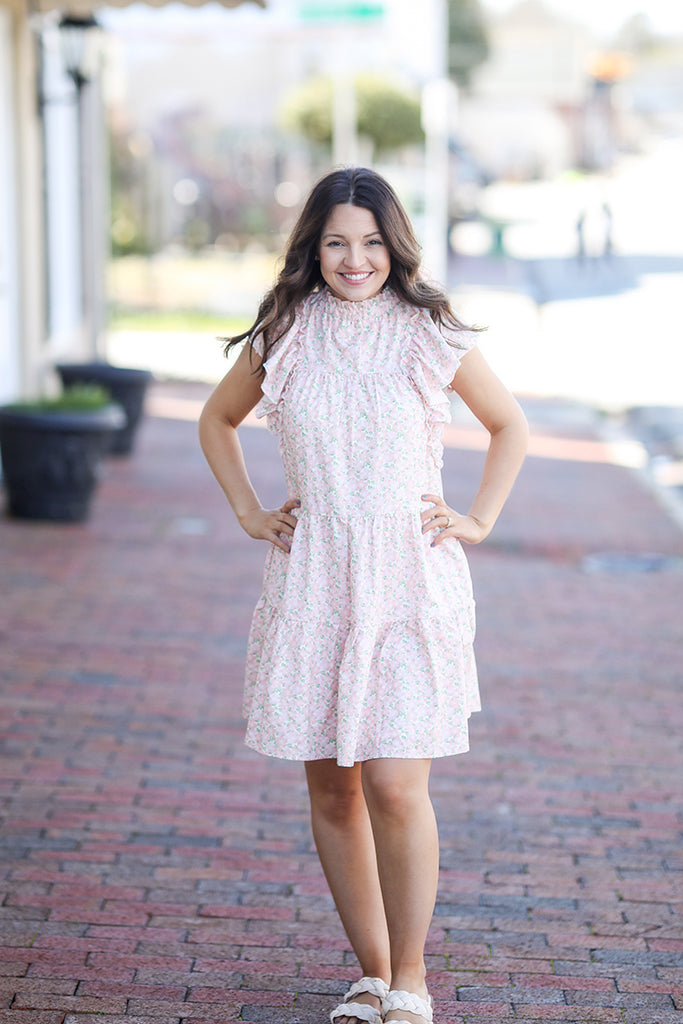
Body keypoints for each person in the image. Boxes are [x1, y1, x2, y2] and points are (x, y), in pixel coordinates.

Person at [199, 167, 528, 1024]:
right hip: (312, 583)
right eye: (337, 242)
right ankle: (372, 975)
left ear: (395, 245)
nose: (355, 259)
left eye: (373, 242)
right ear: (312, 245)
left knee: (392, 785)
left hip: (408, 581)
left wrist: (478, 519)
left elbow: (508, 424)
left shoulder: (428, 332)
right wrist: (247, 509)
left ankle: (412, 979)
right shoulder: (285, 332)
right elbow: (215, 419)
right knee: (333, 790)